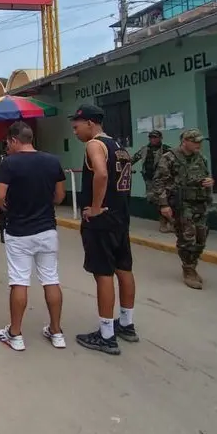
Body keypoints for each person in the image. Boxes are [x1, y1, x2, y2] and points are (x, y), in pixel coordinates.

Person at [0, 121, 67, 351]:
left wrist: (4, 207)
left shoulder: (9, 164)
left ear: (15, 140)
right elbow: (60, 196)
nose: (7, 146)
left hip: (19, 231)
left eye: (7, 142)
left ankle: (15, 334)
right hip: (46, 229)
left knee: (19, 281)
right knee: (51, 279)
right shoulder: (53, 161)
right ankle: (56, 332)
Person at [70, 104, 138, 355]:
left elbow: (100, 174)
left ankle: (107, 335)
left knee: (104, 274)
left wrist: (96, 208)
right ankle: (127, 323)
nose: (75, 132)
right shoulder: (119, 148)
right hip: (121, 217)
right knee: (124, 269)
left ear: (90, 123)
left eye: (77, 127)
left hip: (102, 220)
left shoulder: (95, 145)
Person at [149, 129, 215, 289]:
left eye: (200, 141)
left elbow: (205, 176)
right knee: (187, 238)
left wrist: (209, 182)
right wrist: (164, 205)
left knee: (201, 237)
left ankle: (192, 263)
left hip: (200, 202)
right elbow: (158, 183)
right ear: (185, 141)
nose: (199, 145)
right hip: (182, 204)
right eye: (195, 141)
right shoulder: (169, 158)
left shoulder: (201, 158)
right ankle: (188, 269)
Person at [131, 130, 174, 233]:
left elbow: (175, 163)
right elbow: (133, 160)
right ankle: (165, 222)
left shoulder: (167, 150)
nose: (153, 139)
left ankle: (169, 223)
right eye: (151, 137)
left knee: (166, 201)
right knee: (155, 201)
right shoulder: (144, 149)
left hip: (164, 180)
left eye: (155, 137)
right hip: (150, 181)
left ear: (160, 138)